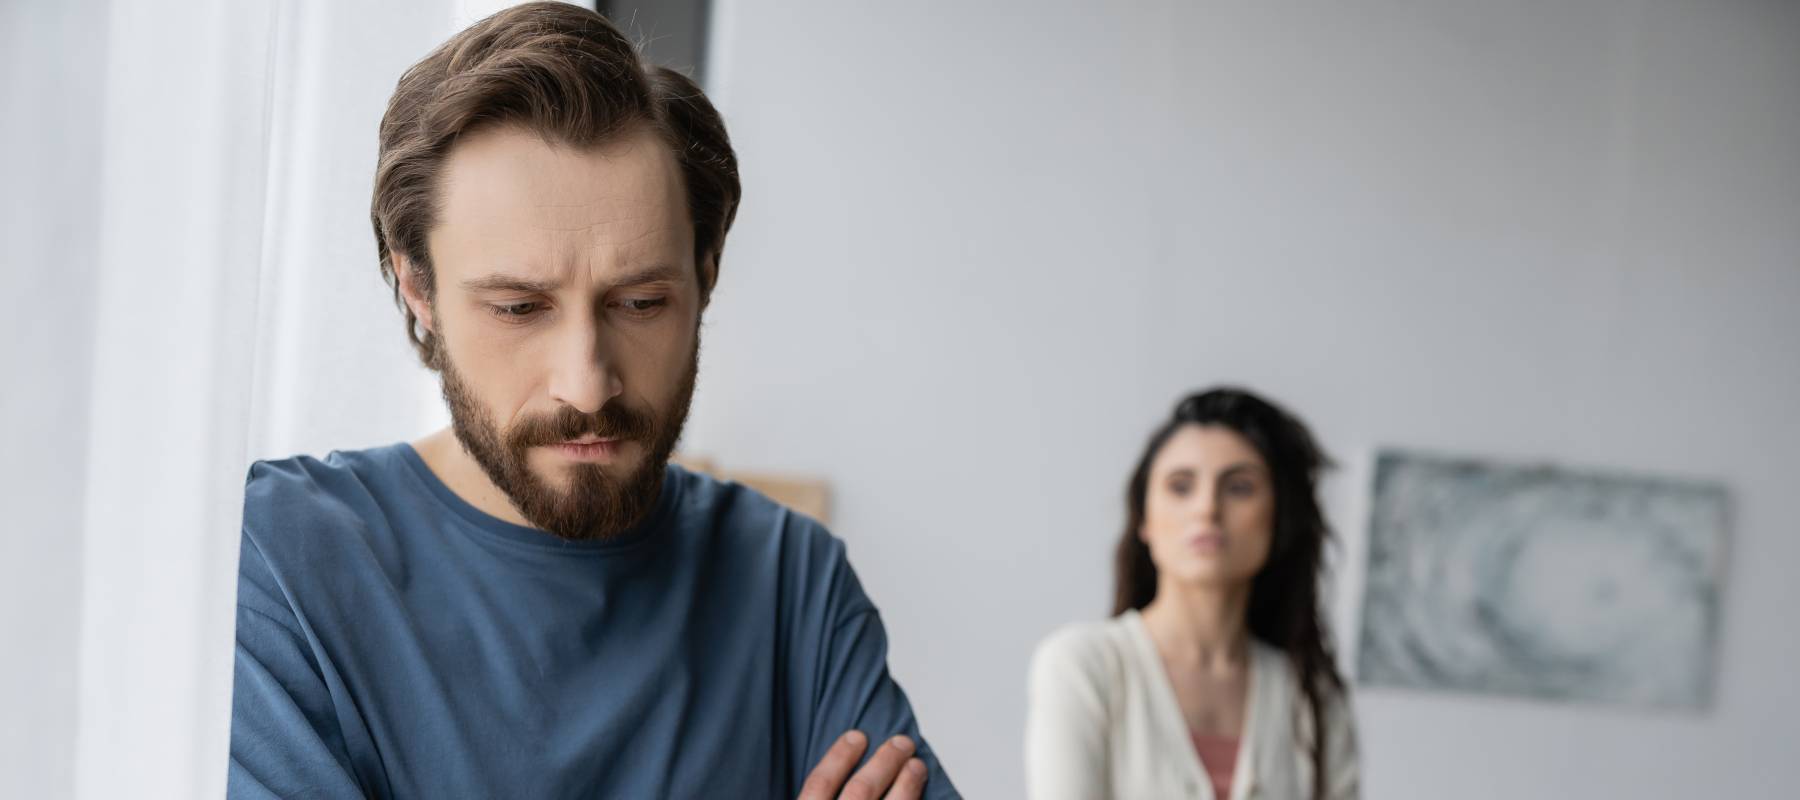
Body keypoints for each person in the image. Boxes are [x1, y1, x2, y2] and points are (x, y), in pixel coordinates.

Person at [227, 4, 956, 798]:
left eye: (641, 303)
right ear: (419, 289)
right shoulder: (279, 564)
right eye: (517, 308)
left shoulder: (790, 579)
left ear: (706, 276)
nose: (587, 384)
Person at [1025, 388, 1358, 799]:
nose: (1207, 509)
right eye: (1181, 486)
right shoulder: (1084, 666)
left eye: (1239, 487)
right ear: (1144, 519)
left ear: (1279, 519)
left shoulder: (1314, 700)